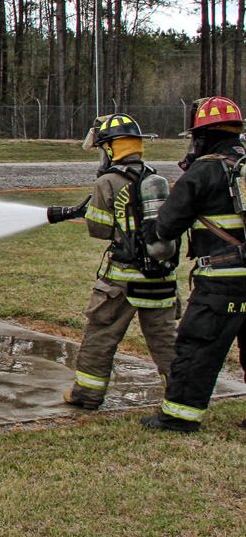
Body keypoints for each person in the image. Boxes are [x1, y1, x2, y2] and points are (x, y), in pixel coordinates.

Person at [47, 113, 179, 410]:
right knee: (165, 340)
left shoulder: (108, 182)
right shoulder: (155, 178)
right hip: (160, 277)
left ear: (110, 149)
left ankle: (87, 394)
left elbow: (100, 229)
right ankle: (182, 393)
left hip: (121, 279)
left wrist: (89, 212)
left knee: (101, 334)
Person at [142, 96, 246, 432]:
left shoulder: (205, 171)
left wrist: (149, 225)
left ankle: (178, 417)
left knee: (197, 347)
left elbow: (166, 226)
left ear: (200, 136)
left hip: (222, 281)